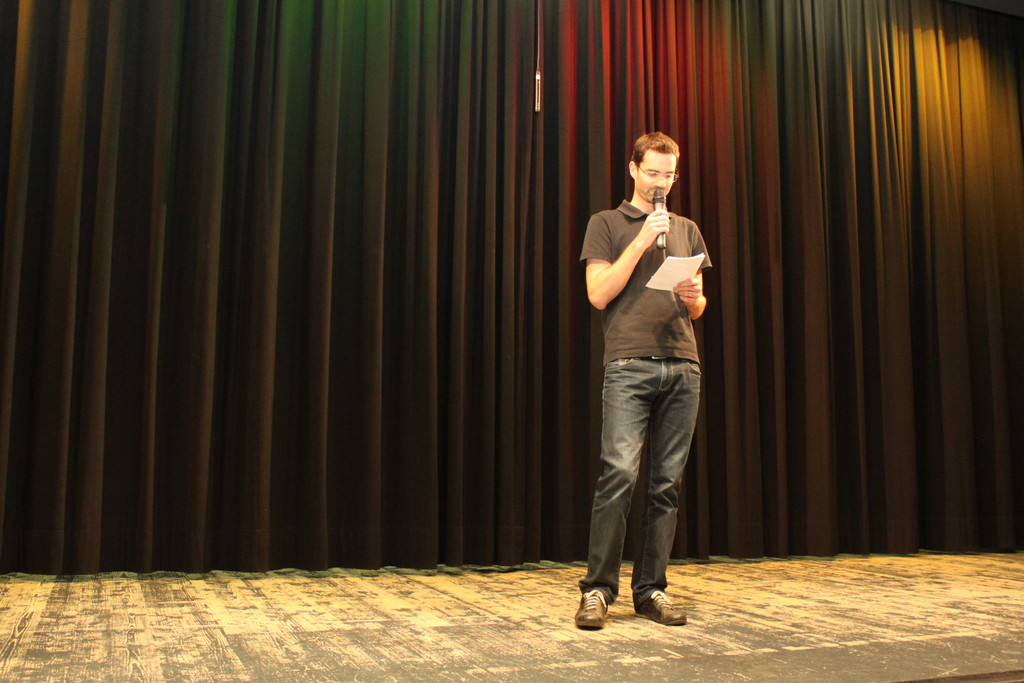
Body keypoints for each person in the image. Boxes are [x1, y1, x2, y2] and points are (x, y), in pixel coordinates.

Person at [575, 131, 711, 629]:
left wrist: (694, 295)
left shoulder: (687, 229)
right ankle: (597, 589)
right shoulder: (606, 223)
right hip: (629, 365)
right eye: (652, 173)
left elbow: (698, 307)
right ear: (633, 169)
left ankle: (651, 589)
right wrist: (640, 240)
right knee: (619, 476)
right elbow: (598, 294)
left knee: (666, 485)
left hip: (682, 365)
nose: (660, 184)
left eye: (668, 175)